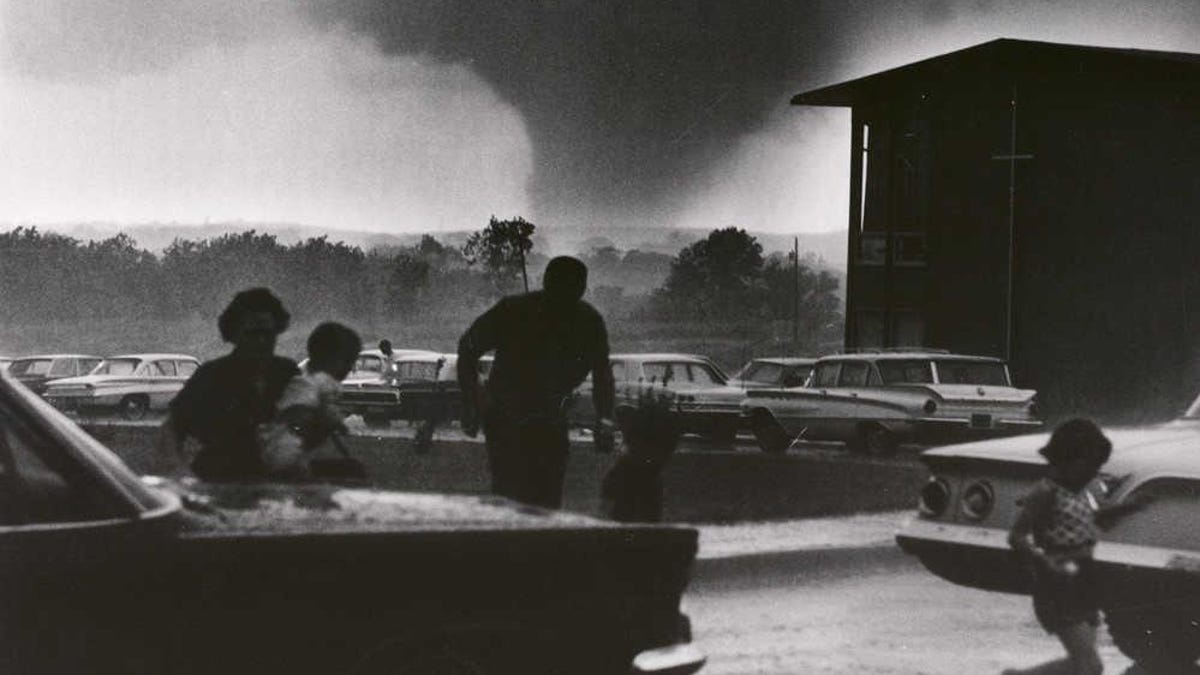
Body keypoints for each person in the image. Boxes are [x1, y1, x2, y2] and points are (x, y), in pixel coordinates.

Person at [457, 256, 614, 508]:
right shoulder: (519, 311)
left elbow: (602, 373)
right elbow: (468, 347)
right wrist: (473, 400)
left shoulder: (585, 321)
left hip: (540, 417)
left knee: (539, 494)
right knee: (518, 493)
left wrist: (605, 417)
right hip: (509, 415)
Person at [1002, 418, 1152, 675]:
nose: (1093, 472)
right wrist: (1042, 560)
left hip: (1084, 578)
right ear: (1065, 459)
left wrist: (1131, 506)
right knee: (1090, 666)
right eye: (1088, 465)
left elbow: (1099, 520)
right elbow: (1017, 536)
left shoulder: (1085, 489)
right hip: (1058, 583)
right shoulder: (1045, 492)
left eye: (1097, 467)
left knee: (1081, 665)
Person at [159, 288, 298, 481]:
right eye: (252, 333)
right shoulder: (212, 375)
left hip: (277, 483)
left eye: (268, 333)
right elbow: (172, 427)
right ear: (233, 334)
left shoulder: (288, 373)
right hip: (219, 482)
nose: (261, 341)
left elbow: (304, 429)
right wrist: (179, 469)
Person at [259, 322, 362, 477]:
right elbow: (307, 414)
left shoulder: (303, 381)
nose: (349, 368)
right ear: (331, 358)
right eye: (347, 361)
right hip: (285, 457)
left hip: (283, 452)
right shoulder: (320, 382)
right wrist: (331, 421)